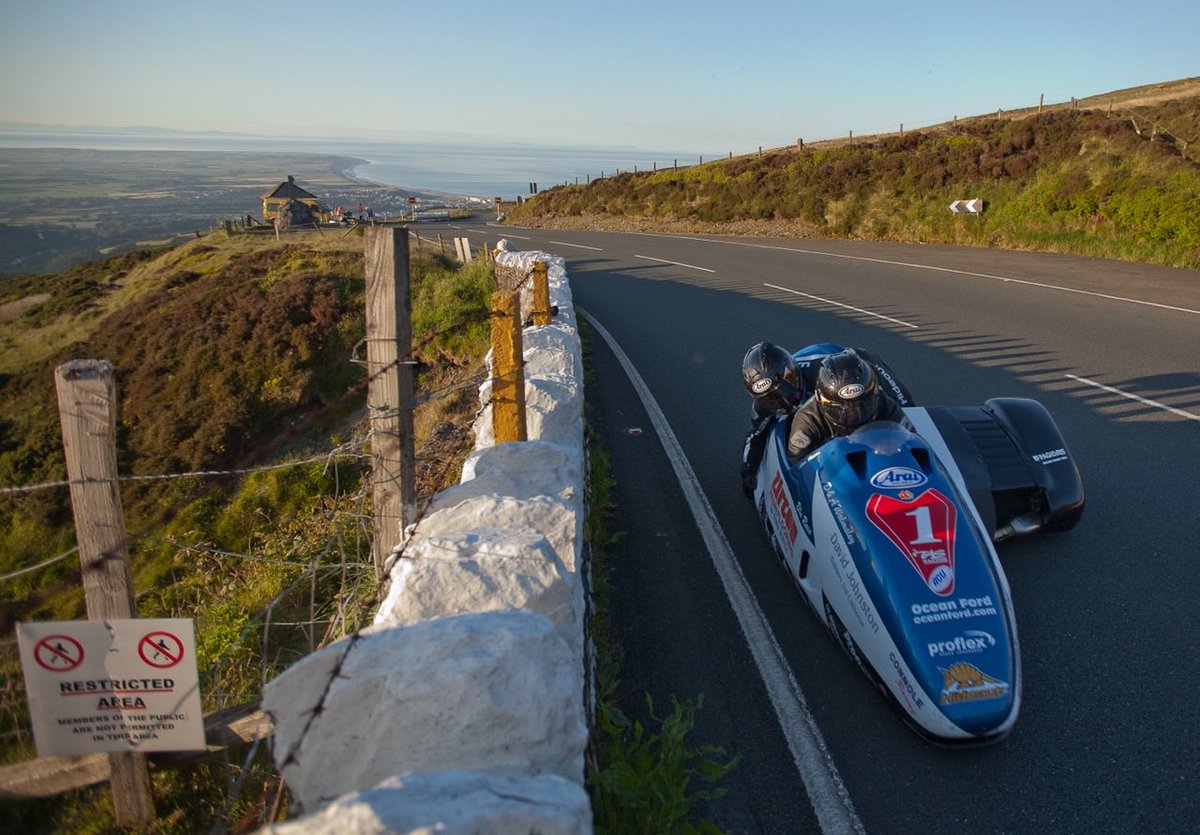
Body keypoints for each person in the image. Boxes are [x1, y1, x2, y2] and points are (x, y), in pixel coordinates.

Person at [787, 348, 912, 461]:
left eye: (862, 405)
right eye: (840, 409)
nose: (853, 414)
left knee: (908, 406)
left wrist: (894, 445)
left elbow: (913, 444)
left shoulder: (885, 403)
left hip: (878, 471)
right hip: (835, 475)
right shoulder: (808, 420)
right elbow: (796, 464)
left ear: (875, 394)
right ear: (822, 402)